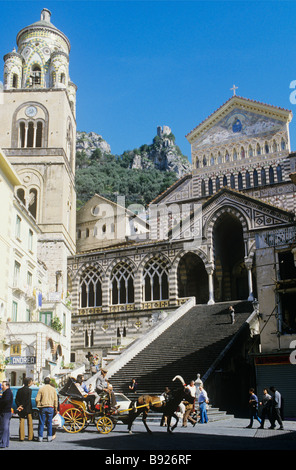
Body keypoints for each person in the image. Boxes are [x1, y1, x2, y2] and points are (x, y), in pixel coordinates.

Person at [36, 377, 58, 442]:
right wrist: (56, 408)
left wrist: (39, 405)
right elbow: (55, 400)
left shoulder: (41, 389)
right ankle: (49, 437)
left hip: (43, 407)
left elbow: (37, 399)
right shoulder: (53, 389)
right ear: (50, 382)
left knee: (41, 422)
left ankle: (40, 437)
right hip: (51, 407)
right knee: (49, 423)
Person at [15, 377, 34, 441]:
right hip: (28, 408)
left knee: (21, 422)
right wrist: (23, 406)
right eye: (31, 381)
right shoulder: (29, 390)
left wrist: (19, 406)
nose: (32, 383)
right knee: (30, 423)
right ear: (29, 382)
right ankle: (30, 437)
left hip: (21, 409)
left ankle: (21, 437)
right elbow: (27, 400)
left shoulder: (19, 390)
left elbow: (16, 399)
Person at [0, 381, 13, 448]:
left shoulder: (7, 392)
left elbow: (6, 401)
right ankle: (5, 442)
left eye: (3, 385)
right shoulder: (7, 392)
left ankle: (3, 442)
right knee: (6, 428)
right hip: (7, 411)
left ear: (7, 386)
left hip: (5, 411)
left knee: (4, 427)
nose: (2, 387)